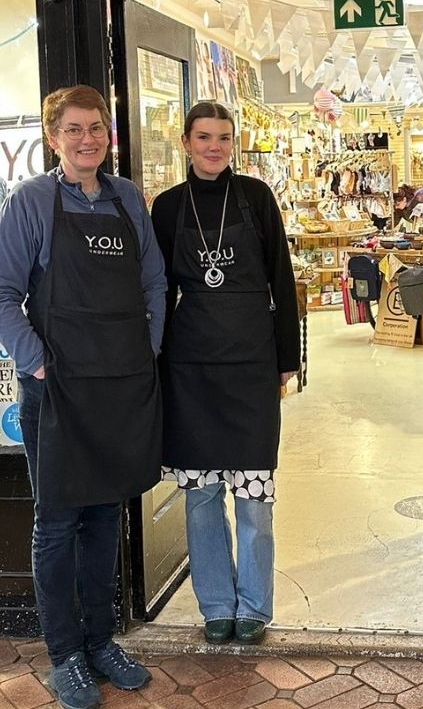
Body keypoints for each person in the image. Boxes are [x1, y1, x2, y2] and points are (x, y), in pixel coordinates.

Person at [0, 85, 165, 709]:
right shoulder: (31, 201)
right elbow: (3, 293)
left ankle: (101, 643)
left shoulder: (126, 198)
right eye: (73, 129)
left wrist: (147, 348)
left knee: (103, 517)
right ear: (53, 139)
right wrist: (37, 363)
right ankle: (65, 655)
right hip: (58, 393)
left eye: (95, 127)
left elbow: (154, 281)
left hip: (119, 387)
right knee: (56, 524)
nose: (87, 139)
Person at [151, 101, 300, 646]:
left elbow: (281, 280)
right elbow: (159, 290)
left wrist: (287, 359)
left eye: (223, 138)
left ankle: (254, 605)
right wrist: (155, 360)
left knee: (254, 497)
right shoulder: (168, 207)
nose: (214, 147)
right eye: (204, 137)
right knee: (202, 496)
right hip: (190, 369)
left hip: (251, 364)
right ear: (186, 143)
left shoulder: (257, 197)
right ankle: (216, 604)